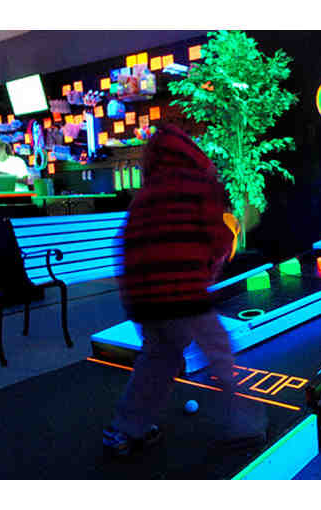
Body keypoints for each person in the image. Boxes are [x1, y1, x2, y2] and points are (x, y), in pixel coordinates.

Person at [103, 123, 267, 457]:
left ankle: (126, 429)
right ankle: (243, 425)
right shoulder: (200, 186)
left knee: (158, 357)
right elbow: (216, 239)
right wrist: (237, 231)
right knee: (219, 352)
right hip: (183, 295)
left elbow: (125, 246)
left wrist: (133, 299)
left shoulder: (144, 196)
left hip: (144, 300)